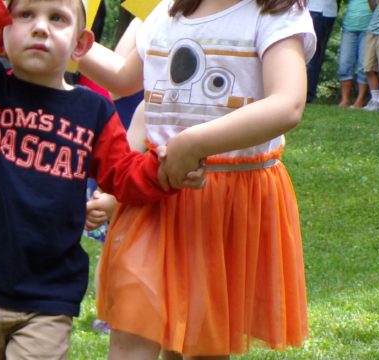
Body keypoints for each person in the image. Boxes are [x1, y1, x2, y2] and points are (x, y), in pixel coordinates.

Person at [0, 0, 203, 358]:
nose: (40, 27)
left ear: (80, 45)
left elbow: (124, 175)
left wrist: (166, 172)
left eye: (57, 18)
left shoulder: (94, 110)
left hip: (47, 299)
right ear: (1, 38)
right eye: (25, 15)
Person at [79, 0, 316, 358]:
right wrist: (72, 40)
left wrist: (194, 142)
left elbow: (288, 103)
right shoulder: (168, 10)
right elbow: (124, 79)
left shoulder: (276, 14)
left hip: (223, 204)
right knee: (132, 324)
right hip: (153, 192)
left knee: (200, 346)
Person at [337, 0, 373, 108]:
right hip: (349, 27)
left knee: (363, 65)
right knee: (344, 64)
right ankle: (345, 100)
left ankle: (360, 100)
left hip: (368, 28)